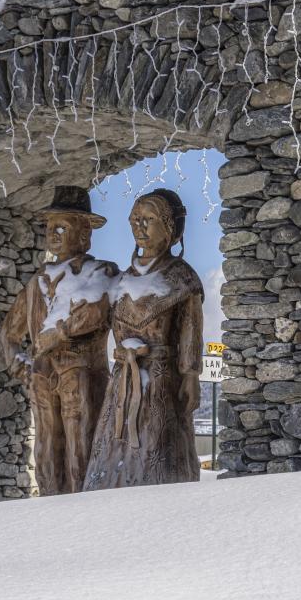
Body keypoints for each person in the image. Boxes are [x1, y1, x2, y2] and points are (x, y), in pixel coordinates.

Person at [0, 186, 119, 496]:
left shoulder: (101, 272)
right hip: (42, 376)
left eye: (62, 226)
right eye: (51, 227)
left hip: (83, 374)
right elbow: (10, 332)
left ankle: (83, 506)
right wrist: (19, 363)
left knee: (82, 443)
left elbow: (94, 312)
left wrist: (59, 332)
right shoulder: (37, 281)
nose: (54, 233)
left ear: (84, 234)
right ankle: (50, 504)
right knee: (46, 444)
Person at [83, 189, 205, 491]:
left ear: (170, 228)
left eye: (148, 219)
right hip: (122, 381)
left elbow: (191, 331)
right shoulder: (122, 281)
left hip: (162, 381)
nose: (139, 226)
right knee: (115, 444)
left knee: (157, 446)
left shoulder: (181, 278)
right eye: (135, 219)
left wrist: (191, 375)